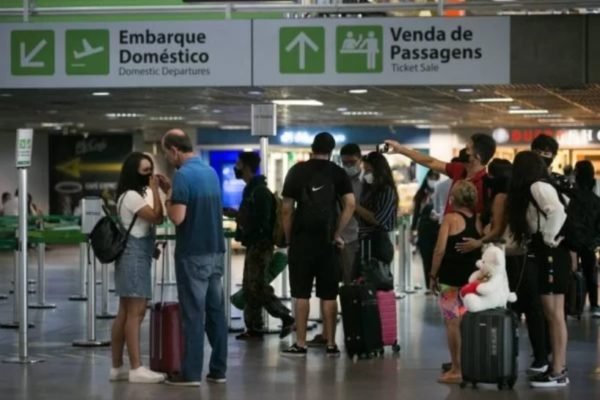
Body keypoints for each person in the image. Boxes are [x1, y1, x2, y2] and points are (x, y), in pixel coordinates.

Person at [159, 129, 228, 386]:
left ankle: (190, 374)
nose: (168, 157)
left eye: (167, 152)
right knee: (215, 312)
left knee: (193, 315)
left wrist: (167, 196)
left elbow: (178, 217)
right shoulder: (209, 171)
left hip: (193, 254)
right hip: (215, 252)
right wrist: (173, 191)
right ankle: (218, 370)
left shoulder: (183, 175)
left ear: (175, 150)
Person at [281, 132, 355, 357]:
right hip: (327, 242)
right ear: (332, 151)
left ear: (312, 148)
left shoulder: (297, 171)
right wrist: (336, 233)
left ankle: (301, 343)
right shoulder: (338, 173)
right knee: (329, 294)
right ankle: (331, 344)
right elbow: (350, 205)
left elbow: (286, 208)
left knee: (301, 294)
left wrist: (289, 236)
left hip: (302, 240)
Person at [506, 151, 571, 388]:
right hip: (551, 253)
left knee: (553, 314)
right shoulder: (542, 186)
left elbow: (558, 212)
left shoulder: (536, 187)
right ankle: (557, 368)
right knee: (553, 314)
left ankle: (558, 370)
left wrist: (548, 237)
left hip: (551, 253)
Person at [110, 152, 165, 384]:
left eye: (151, 170)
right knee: (136, 312)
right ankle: (136, 368)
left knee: (124, 313)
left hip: (131, 257)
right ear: (135, 173)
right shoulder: (132, 196)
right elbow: (157, 217)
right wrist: (155, 190)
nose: (150, 175)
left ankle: (117, 367)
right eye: (145, 171)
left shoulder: (125, 195)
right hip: (134, 260)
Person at [229, 151, 294, 341]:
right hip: (253, 244)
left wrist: (240, 217)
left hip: (261, 245)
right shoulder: (251, 190)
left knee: (257, 285)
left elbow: (262, 222)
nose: (237, 168)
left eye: (239, 164)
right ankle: (254, 327)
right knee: (250, 287)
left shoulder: (260, 192)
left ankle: (286, 316)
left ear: (247, 167)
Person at [307, 143, 363, 347]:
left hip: (352, 240)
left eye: (352, 162)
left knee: (349, 287)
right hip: (331, 240)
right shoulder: (335, 178)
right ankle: (326, 334)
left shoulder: (364, 183)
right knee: (327, 287)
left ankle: (353, 332)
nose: (348, 166)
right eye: (345, 162)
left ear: (360, 160)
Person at [429, 180, 481, 384]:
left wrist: (433, 275)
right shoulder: (477, 220)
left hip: (450, 278)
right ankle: (471, 364)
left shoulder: (450, 218)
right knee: (470, 321)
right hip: (472, 279)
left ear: (453, 199)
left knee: (452, 322)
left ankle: (456, 368)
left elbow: (440, 250)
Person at [385, 133, 496, 215]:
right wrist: (401, 150)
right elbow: (431, 162)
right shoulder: (459, 169)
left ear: (477, 157)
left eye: (468, 149)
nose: (464, 151)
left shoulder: (484, 185)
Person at [572, 161, 600, 317]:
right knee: (591, 274)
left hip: (570, 243)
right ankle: (594, 304)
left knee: (571, 273)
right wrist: (594, 243)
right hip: (588, 244)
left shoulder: (571, 197)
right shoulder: (596, 200)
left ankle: (573, 304)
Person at [411, 170, 440, 292]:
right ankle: (429, 285)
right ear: (427, 178)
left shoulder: (441, 192)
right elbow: (416, 214)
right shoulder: (421, 195)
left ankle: (437, 283)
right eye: (431, 177)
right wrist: (413, 230)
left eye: (435, 177)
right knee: (426, 257)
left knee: (437, 256)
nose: (433, 180)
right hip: (424, 229)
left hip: (438, 229)